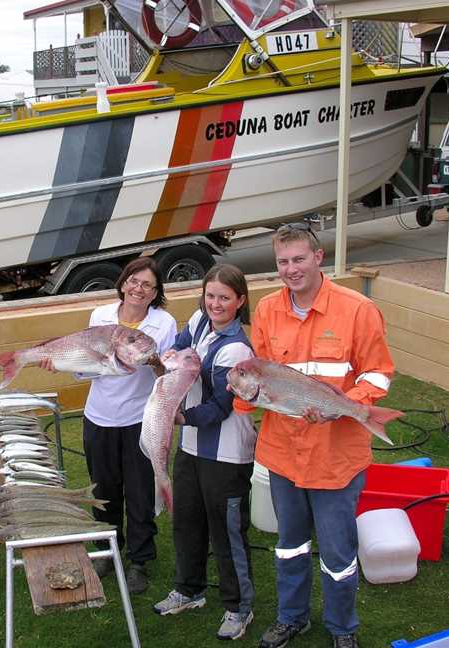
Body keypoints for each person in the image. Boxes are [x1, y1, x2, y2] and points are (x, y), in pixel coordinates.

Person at [245, 222, 396, 648]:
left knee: (337, 555)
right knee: (289, 545)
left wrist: (348, 404)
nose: (291, 269)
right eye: (282, 262)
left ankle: (342, 628)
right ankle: (291, 617)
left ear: (318, 257)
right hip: (283, 454)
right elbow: (260, 372)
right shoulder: (267, 310)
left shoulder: (358, 309)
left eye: (298, 259)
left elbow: (378, 373)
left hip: (336, 456)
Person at [152, 264, 257, 642]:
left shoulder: (237, 349)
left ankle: (238, 607)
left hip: (227, 455)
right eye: (210, 295)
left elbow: (219, 408)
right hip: (191, 448)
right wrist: (167, 358)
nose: (215, 304)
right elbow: (178, 346)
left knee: (227, 532)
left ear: (240, 301)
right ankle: (189, 589)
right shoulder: (198, 320)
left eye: (225, 298)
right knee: (187, 521)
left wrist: (177, 416)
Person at [81, 257, 177, 594]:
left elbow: (168, 375)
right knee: (103, 489)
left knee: (139, 491)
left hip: (139, 419)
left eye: (147, 285)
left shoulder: (164, 325)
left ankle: (139, 559)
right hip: (99, 417)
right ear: (123, 283)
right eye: (134, 281)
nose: (138, 289)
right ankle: (107, 550)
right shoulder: (100, 317)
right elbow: (89, 361)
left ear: (155, 293)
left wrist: (153, 364)